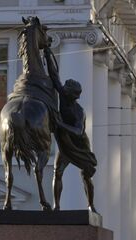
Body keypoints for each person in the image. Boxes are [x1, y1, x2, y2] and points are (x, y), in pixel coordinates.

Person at [43, 47, 98, 213]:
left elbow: (78, 131)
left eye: (67, 91)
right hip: (65, 145)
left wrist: (60, 125)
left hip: (79, 145)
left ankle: (90, 205)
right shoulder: (64, 96)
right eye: (64, 90)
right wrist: (47, 52)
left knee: (86, 175)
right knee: (57, 171)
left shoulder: (79, 111)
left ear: (73, 95)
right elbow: (54, 76)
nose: (63, 92)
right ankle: (57, 206)